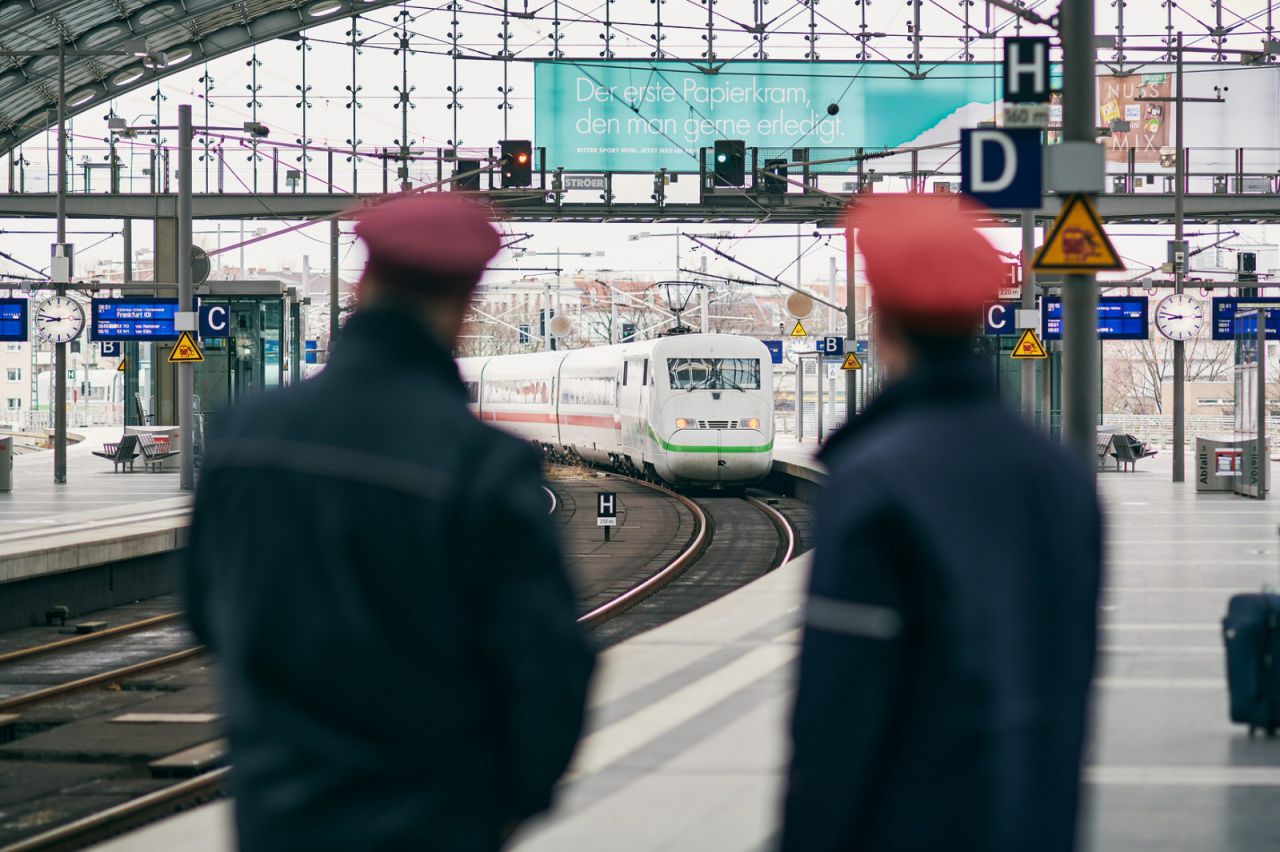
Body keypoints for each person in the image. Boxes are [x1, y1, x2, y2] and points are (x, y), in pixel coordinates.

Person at [184, 194, 595, 852]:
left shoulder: (246, 435)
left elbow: (206, 611)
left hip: (278, 811)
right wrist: (503, 802)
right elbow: (544, 668)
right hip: (434, 816)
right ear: (465, 304)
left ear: (363, 284)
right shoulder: (484, 465)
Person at [781, 195, 1103, 852]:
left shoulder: (875, 478)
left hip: (905, 825)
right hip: (1034, 818)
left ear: (883, 320)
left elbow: (840, 708)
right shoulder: (1060, 474)